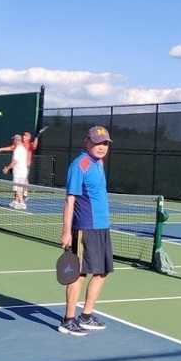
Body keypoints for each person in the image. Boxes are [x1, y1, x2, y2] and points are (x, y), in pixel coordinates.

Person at [57, 126, 114, 336]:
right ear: (86, 142)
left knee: (102, 271)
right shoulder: (79, 165)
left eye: (105, 143)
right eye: (97, 142)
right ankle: (68, 320)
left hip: (101, 226)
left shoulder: (98, 163)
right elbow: (69, 200)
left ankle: (86, 316)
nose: (101, 147)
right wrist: (66, 231)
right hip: (85, 227)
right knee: (78, 274)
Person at [0, 134, 29, 209]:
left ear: (17, 140)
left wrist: (7, 168)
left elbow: (15, 162)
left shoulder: (18, 150)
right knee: (19, 188)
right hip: (21, 172)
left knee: (17, 189)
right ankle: (16, 201)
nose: (13, 141)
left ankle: (22, 203)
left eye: (14, 140)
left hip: (19, 173)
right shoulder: (22, 149)